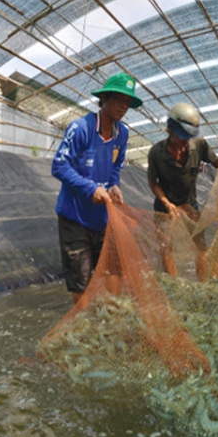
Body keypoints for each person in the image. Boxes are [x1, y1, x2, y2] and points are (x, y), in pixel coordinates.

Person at [52, 72, 143, 304]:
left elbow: (114, 169)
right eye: (119, 100)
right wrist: (89, 188)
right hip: (75, 217)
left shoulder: (122, 134)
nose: (124, 107)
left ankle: (113, 317)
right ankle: (84, 328)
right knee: (80, 280)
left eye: (128, 103)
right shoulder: (81, 128)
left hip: (103, 218)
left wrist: (114, 186)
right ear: (104, 99)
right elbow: (59, 166)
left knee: (114, 270)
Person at [147, 103, 218, 280]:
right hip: (164, 207)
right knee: (166, 247)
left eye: (188, 137)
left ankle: (204, 285)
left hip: (190, 205)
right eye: (182, 137)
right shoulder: (156, 153)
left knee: (201, 246)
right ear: (170, 130)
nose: (185, 142)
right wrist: (167, 203)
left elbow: (216, 162)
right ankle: (176, 287)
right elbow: (153, 183)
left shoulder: (199, 145)